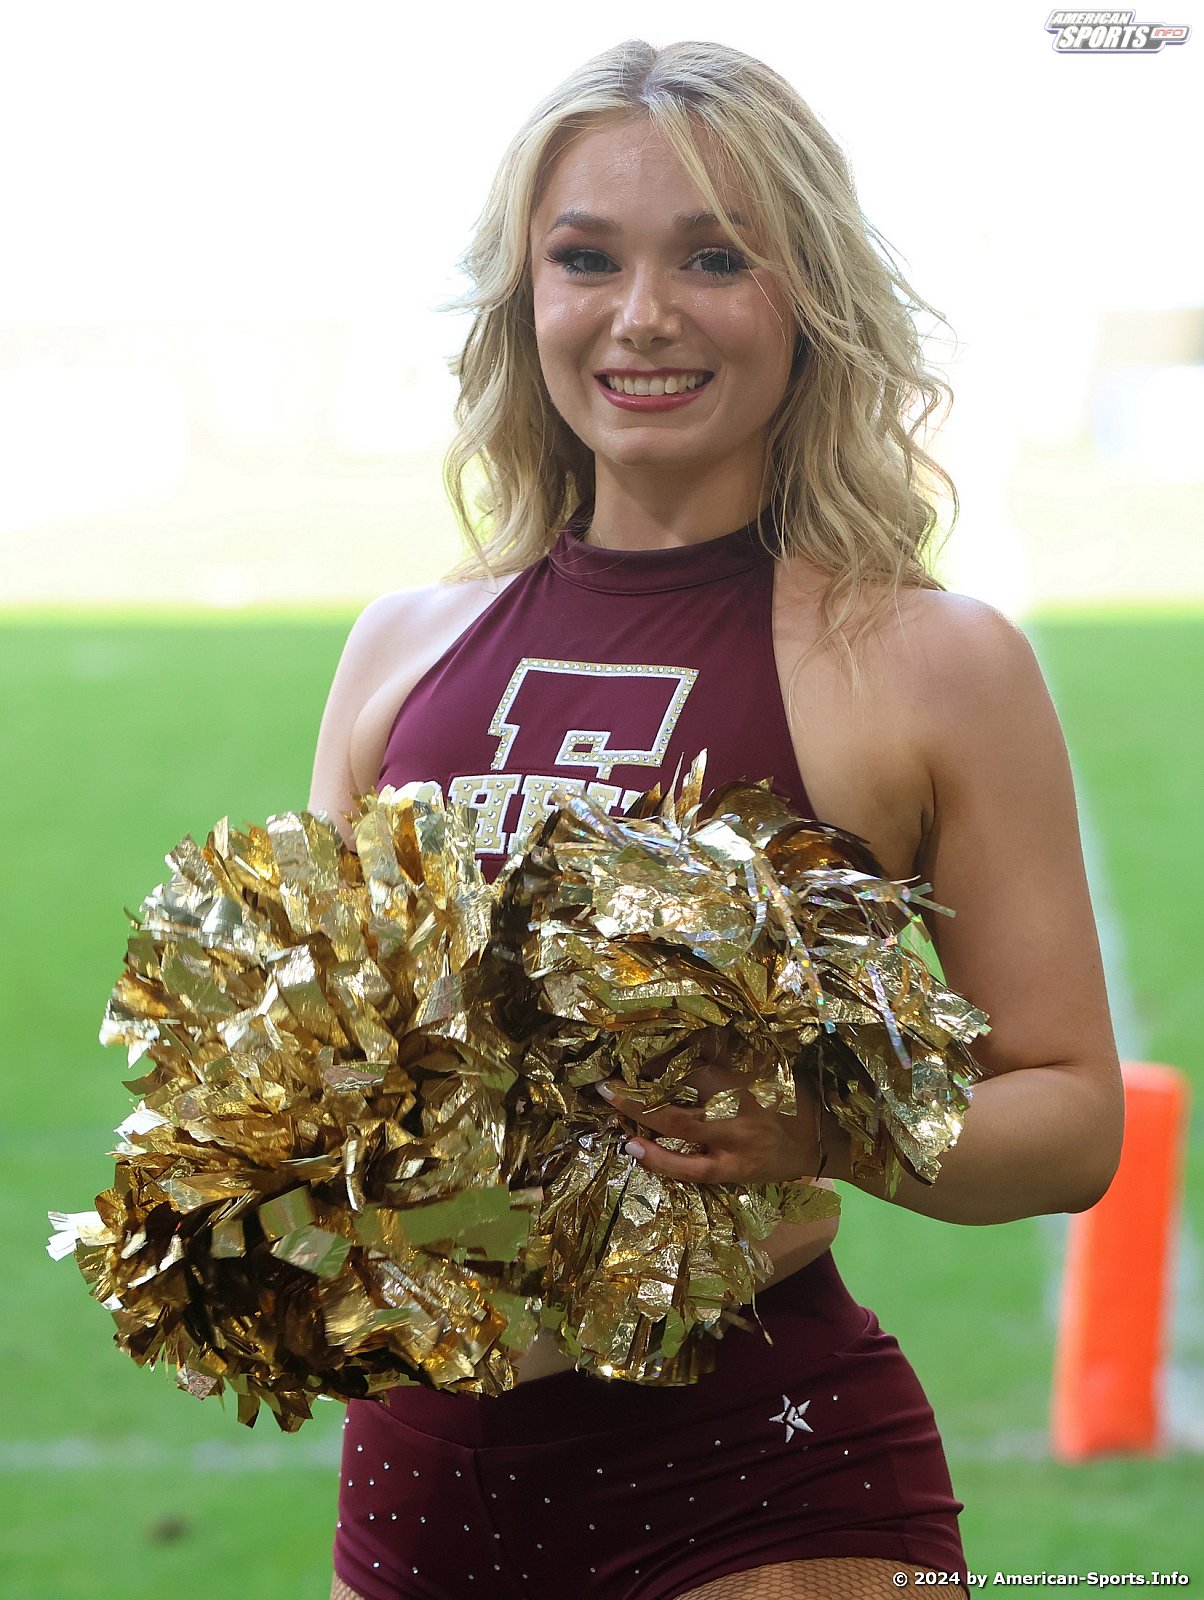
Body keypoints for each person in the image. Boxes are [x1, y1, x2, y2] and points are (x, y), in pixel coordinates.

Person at [310, 37, 1124, 1600]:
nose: (642, 313)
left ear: (806, 295)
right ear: (524, 298)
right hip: (411, 1487)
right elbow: (329, 1062)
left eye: (712, 257)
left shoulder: (931, 662)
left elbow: (1074, 1114)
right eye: (586, 258)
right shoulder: (400, 646)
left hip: (758, 1480)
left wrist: (829, 1128)